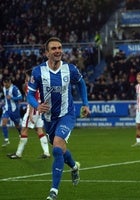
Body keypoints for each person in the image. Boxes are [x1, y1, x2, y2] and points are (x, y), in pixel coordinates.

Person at [27, 37, 90, 200]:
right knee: (60, 150)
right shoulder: (38, 71)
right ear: (47, 52)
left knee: (56, 148)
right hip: (49, 118)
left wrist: (85, 103)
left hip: (66, 115)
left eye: (60, 48)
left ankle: (53, 191)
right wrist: (37, 105)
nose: (58, 51)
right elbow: (30, 95)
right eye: (54, 48)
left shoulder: (70, 69)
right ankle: (75, 166)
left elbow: (81, 84)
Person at [7, 70, 50, 159]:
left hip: (33, 109)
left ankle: (18, 154)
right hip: (39, 109)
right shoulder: (39, 84)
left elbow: (31, 100)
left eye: (27, 76)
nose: (26, 78)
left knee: (24, 130)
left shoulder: (30, 86)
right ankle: (46, 152)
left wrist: (30, 114)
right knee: (39, 130)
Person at [1, 76, 22, 147]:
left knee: (17, 125)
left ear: (9, 82)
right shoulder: (4, 88)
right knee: (4, 123)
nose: (5, 85)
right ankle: (6, 140)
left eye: (6, 83)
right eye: (4, 83)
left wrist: (12, 98)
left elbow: (20, 97)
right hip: (6, 109)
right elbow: (6, 98)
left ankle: (20, 133)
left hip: (14, 110)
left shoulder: (14, 88)